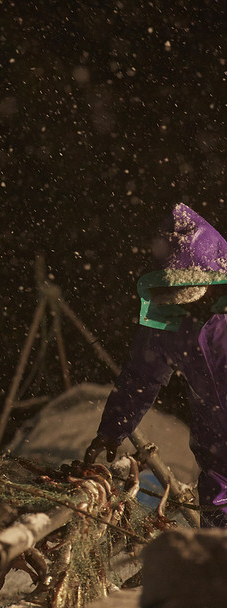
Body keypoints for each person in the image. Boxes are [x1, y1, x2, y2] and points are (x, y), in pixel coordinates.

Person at [84, 203, 227, 528]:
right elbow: (141, 377)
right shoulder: (168, 324)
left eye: (183, 282)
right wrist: (111, 430)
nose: (176, 295)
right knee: (218, 548)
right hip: (218, 458)